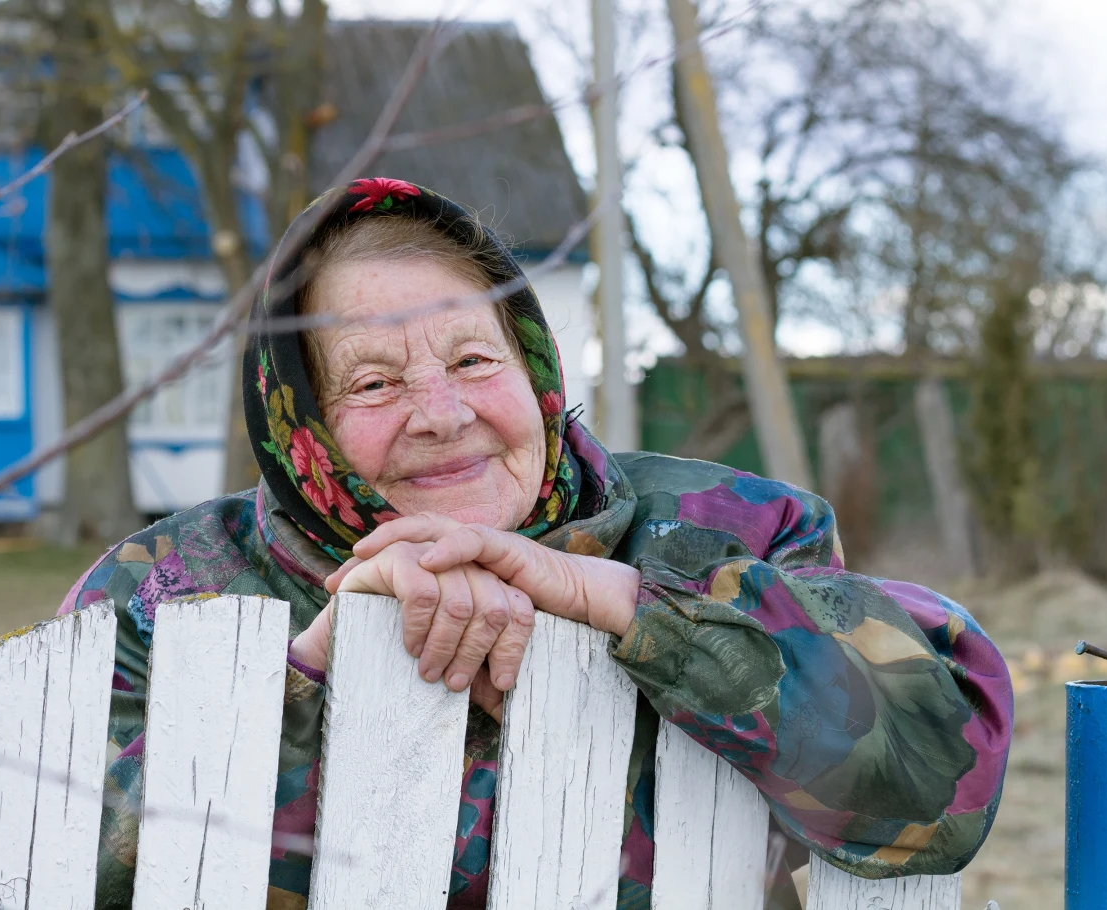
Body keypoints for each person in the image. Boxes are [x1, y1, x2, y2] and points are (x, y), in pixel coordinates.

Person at [59, 177, 1013, 910]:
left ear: (535, 368)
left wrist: (618, 601)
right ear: (298, 421)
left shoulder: (740, 528)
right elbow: (59, 868)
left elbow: (935, 785)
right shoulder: (168, 592)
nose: (443, 414)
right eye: (375, 383)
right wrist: (316, 665)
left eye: (474, 359)